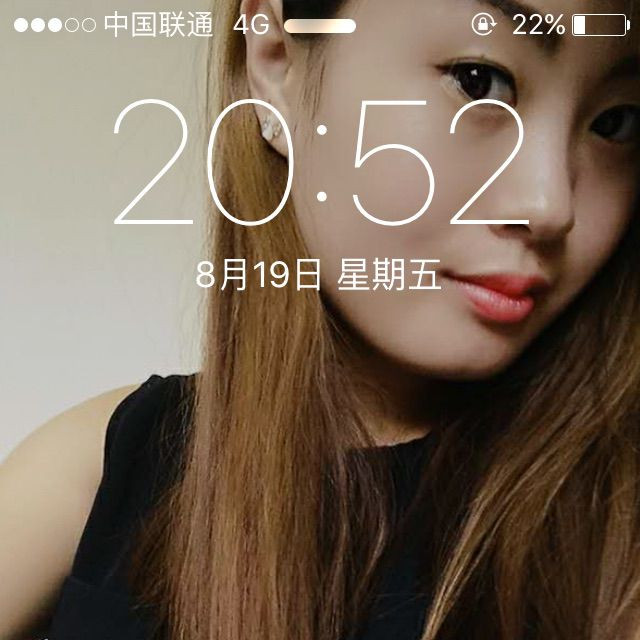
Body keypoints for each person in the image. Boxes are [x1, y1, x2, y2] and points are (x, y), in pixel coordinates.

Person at [2, 0, 639, 638]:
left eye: (617, 122)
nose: (550, 204)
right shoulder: (105, 466)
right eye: (480, 82)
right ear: (276, 58)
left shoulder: (614, 540)